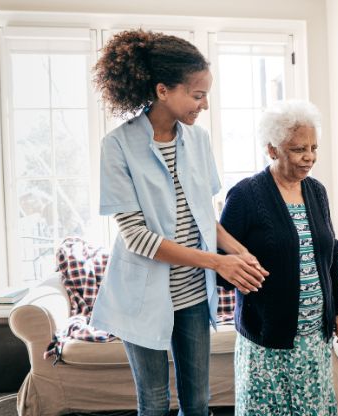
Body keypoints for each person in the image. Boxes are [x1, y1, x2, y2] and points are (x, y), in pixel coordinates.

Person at [90, 29, 268, 416]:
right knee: (153, 403)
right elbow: (137, 238)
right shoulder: (117, 146)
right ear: (163, 90)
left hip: (192, 295)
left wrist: (241, 253)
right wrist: (218, 262)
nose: (203, 104)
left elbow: (207, 218)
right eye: (197, 94)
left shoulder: (198, 140)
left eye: (206, 95)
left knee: (198, 403)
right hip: (143, 297)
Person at [219, 100, 338, 415]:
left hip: (314, 338)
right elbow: (220, 259)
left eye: (314, 147)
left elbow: (329, 253)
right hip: (267, 337)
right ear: (272, 150)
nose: (310, 157)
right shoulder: (245, 195)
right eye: (298, 149)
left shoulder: (316, 191)